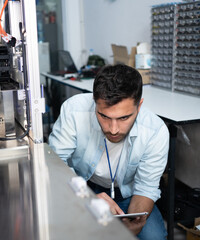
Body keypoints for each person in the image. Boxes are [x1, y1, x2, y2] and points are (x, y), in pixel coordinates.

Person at [49, 64, 169, 239]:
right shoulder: (74, 110)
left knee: (154, 237)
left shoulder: (155, 131)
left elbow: (146, 188)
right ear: (94, 102)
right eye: (104, 116)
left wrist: (133, 223)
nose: (113, 130)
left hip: (127, 193)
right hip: (81, 185)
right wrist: (86, 198)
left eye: (124, 118)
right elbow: (54, 165)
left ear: (139, 105)